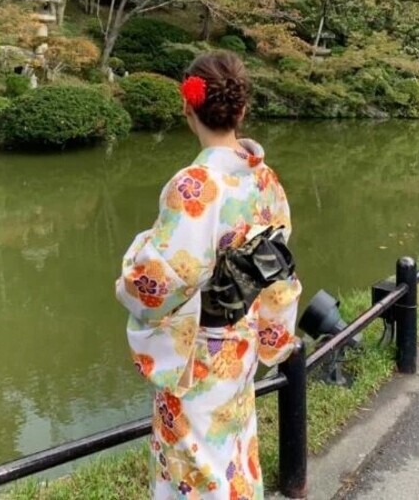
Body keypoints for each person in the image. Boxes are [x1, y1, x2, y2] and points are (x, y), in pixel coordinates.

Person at [115, 51, 302, 499]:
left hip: (196, 355)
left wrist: (135, 259)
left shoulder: (195, 186)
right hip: (240, 349)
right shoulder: (265, 181)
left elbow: (155, 284)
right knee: (233, 456)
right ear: (241, 110)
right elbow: (276, 268)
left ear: (187, 106)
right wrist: (272, 335)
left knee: (195, 470)